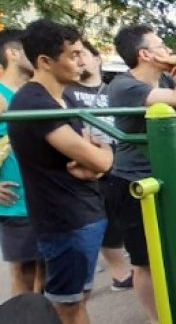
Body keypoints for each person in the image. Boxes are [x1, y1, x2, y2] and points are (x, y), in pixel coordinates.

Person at [9, 19, 114, 324]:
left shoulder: (63, 98)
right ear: (45, 61)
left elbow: (97, 151)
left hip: (80, 215)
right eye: (74, 55)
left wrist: (100, 158)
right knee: (67, 307)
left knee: (75, 300)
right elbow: (99, 159)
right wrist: (100, 159)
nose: (82, 61)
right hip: (65, 221)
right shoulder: (34, 103)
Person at [107, 24, 176, 322]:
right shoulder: (124, 86)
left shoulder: (161, 79)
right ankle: (158, 318)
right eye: (161, 45)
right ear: (145, 54)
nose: (169, 51)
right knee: (146, 262)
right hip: (132, 184)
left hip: (165, 178)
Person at [62, 40, 133, 291]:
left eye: (83, 54)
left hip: (119, 163)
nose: (79, 60)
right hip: (89, 170)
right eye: (73, 55)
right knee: (101, 224)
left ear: (98, 59)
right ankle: (118, 274)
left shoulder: (115, 89)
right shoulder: (66, 93)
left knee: (121, 220)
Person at [0, 28, 44, 297]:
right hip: (16, 203)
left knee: (45, 273)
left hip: (41, 198)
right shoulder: (2, 96)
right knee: (25, 275)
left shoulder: (31, 93)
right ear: (13, 53)